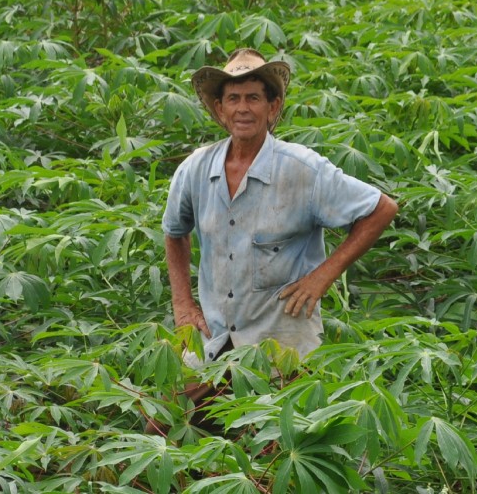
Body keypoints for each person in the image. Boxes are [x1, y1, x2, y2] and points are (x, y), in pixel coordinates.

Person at [161, 48, 398, 370]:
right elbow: (175, 233)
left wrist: (323, 276)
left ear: (272, 108)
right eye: (233, 99)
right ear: (220, 108)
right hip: (213, 339)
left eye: (253, 98)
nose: (243, 109)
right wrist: (183, 304)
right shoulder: (196, 168)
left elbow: (381, 208)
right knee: (168, 419)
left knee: (273, 421)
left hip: (282, 343)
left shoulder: (303, 168)